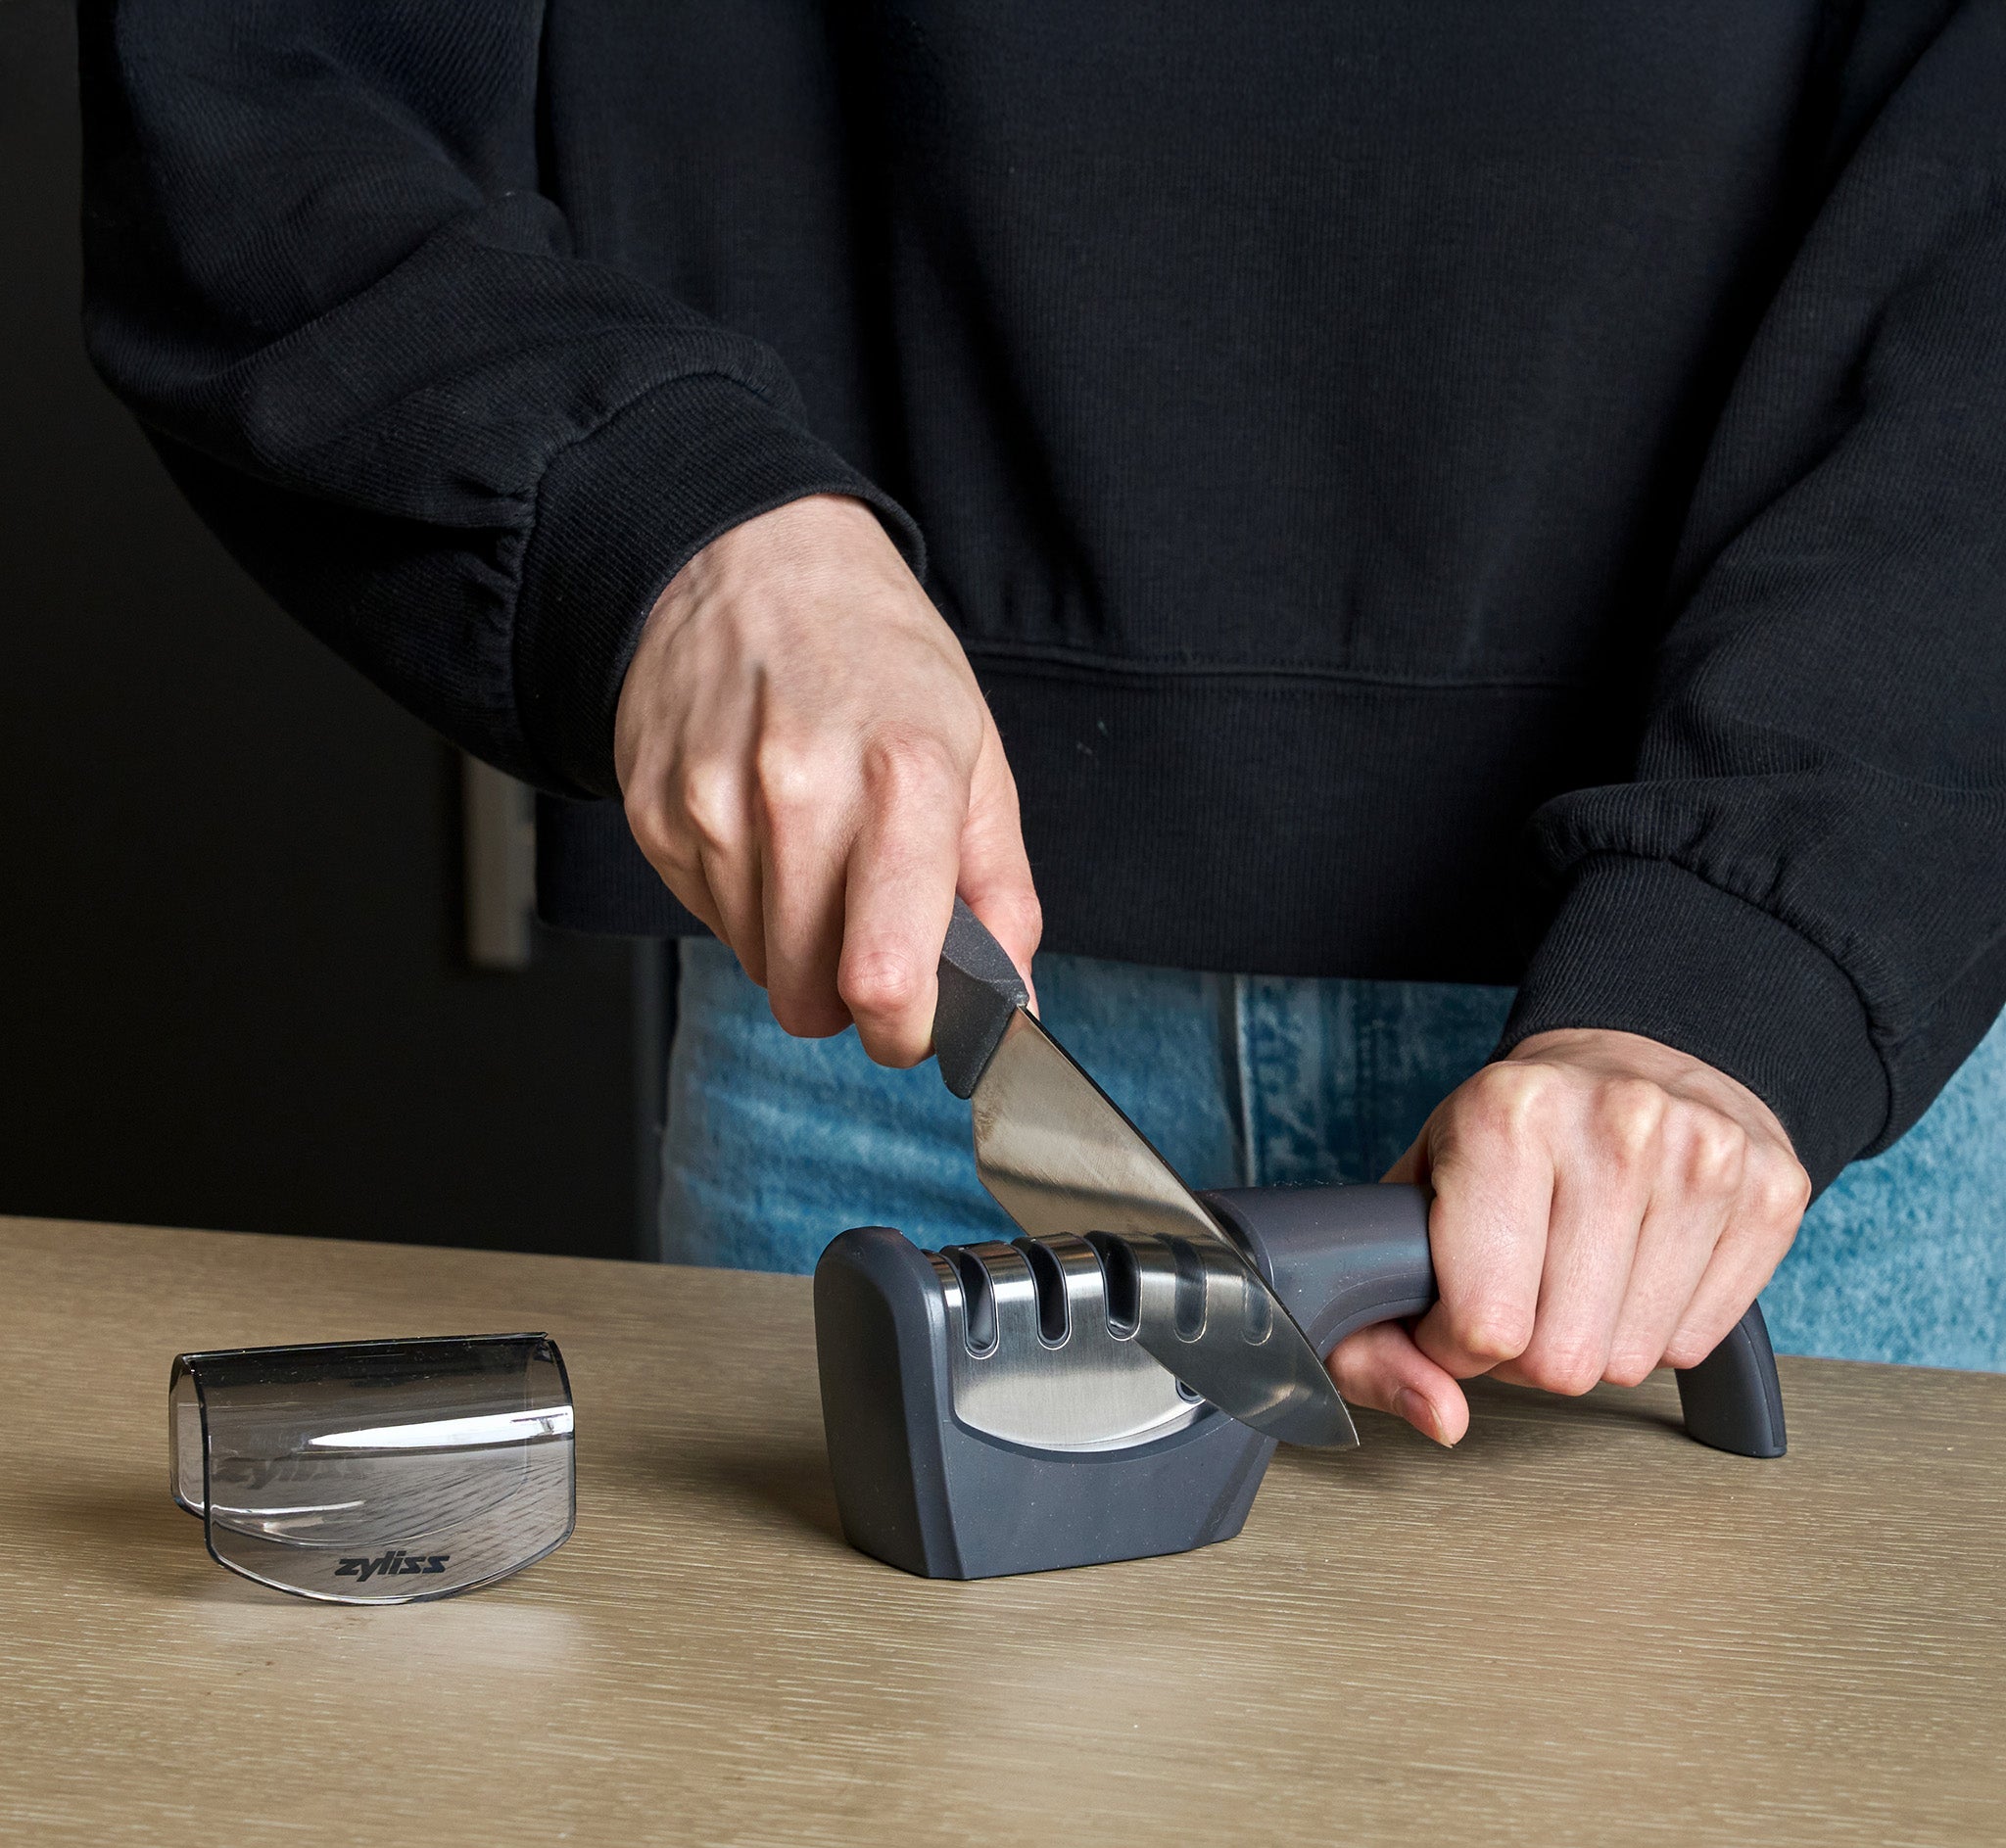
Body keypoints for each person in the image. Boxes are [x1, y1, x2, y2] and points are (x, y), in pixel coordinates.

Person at [80, 2, 2006, 1442]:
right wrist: (667, 523)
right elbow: (258, 71)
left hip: (1760, 1125)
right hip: (902, 1033)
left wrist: (1770, 947)